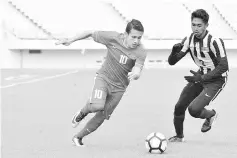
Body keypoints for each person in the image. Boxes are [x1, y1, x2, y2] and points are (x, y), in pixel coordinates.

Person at [56, 19, 147, 146]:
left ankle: (78, 137)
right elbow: (90, 32)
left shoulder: (141, 51)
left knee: (102, 115)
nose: (136, 41)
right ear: (125, 34)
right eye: (133, 37)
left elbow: (138, 68)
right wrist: (71, 40)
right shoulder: (113, 38)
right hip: (104, 78)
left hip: (119, 89)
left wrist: (136, 74)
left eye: (139, 37)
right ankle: (82, 112)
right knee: (97, 105)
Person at [167, 9, 229, 142]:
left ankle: (211, 114)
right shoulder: (189, 39)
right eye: (193, 25)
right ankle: (179, 137)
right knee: (179, 107)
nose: (195, 28)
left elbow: (224, 66)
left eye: (199, 25)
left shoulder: (214, 41)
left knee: (194, 110)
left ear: (206, 25)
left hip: (217, 79)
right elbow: (172, 62)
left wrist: (202, 78)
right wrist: (173, 52)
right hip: (200, 76)